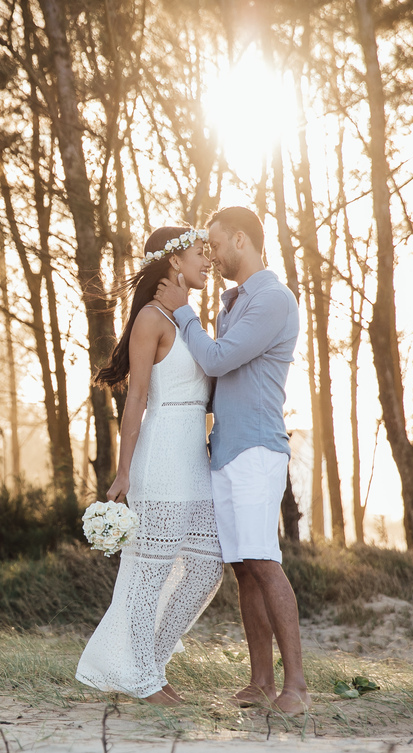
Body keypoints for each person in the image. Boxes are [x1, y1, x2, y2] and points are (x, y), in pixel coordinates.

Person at [153, 206, 310, 715]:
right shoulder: (230, 303)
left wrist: (181, 313)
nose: (212, 255)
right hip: (225, 449)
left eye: (217, 244)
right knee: (244, 569)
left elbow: (218, 359)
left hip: (258, 450)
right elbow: (215, 379)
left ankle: (297, 688)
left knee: (264, 561)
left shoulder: (274, 299)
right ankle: (262, 680)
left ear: (240, 240)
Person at [75, 226, 224, 706]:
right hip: (158, 455)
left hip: (194, 459)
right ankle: (143, 680)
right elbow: (135, 398)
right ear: (175, 261)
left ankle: (149, 663)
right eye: (201, 254)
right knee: (148, 572)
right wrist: (124, 471)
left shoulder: (189, 318)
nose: (209, 262)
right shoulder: (150, 319)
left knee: (207, 565)